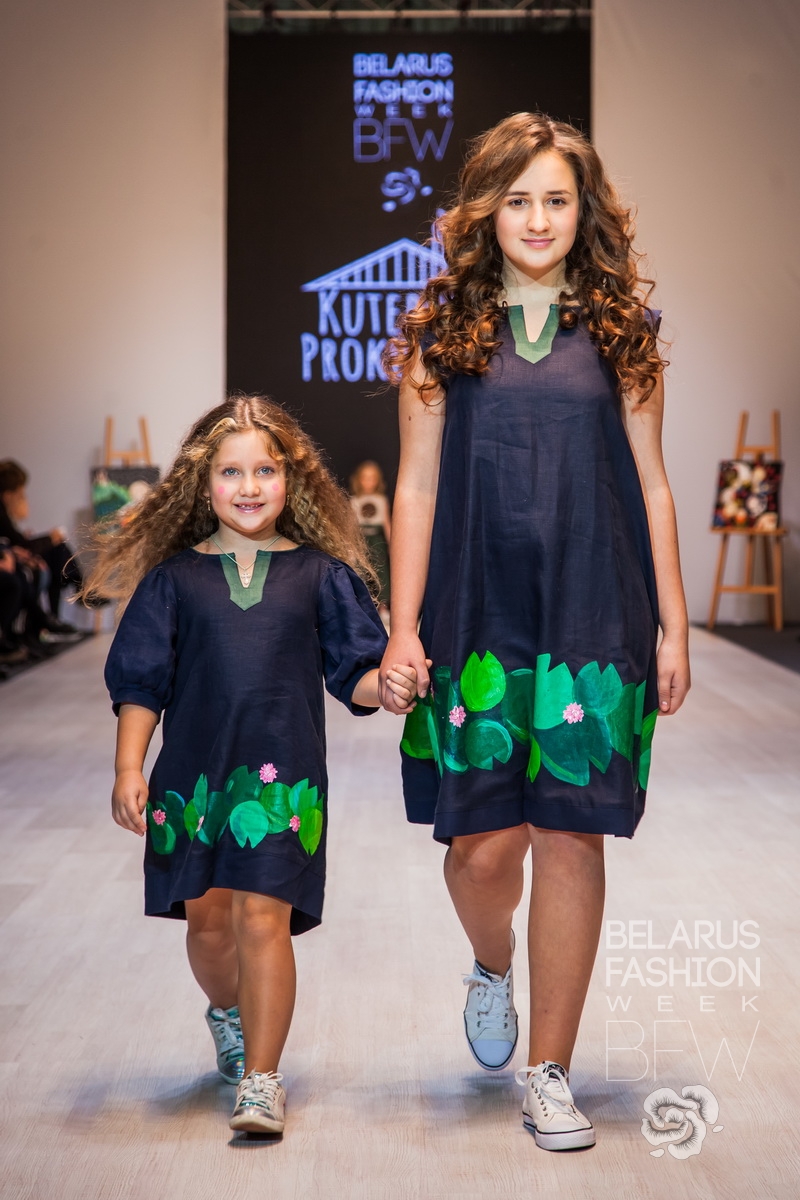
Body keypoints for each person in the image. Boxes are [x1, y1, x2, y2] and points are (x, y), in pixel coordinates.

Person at [379, 113, 690, 1150]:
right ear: (483, 211)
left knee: (570, 829)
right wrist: (402, 629)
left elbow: (652, 484)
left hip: (595, 607)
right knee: (479, 851)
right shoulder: (438, 334)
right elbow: (415, 490)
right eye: (517, 199)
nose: (539, 218)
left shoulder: (623, 330)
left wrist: (674, 625)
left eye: (557, 198)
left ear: (583, 209)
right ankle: (491, 963)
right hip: (475, 611)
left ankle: (548, 1071)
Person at [89, 396, 419, 1137]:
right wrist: (128, 767)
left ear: (291, 480)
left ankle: (263, 1080)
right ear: (201, 483)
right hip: (191, 783)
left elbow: (356, 674)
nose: (248, 486)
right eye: (231, 472)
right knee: (209, 927)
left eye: (265, 470)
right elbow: (141, 682)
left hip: (282, 784)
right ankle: (227, 1012)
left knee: (263, 917)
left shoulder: (321, 575)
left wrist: (389, 687)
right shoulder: (173, 581)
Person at [0, 459, 84, 631]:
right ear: (9, 494)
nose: (23, 497)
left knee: (57, 552)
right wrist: (48, 539)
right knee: (53, 553)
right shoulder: (2, 512)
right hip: (10, 559)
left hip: (12, 555)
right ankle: (48, 618)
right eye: (20, 494)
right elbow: (19, 542)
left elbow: (16, 541)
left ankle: (53, 616)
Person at [350, 460, 391, 613]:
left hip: (377, 540)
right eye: (365, 478)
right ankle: (362, 606)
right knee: (360, 571)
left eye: (372, 478)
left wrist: (392, 544)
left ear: (378, 480)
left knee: (382, 573)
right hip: (361, 541)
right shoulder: (354, 501)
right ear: (359, 480)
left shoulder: (381, 500)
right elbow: (351, 525)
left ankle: (383, 607)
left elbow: (386, 523)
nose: (369, 482)